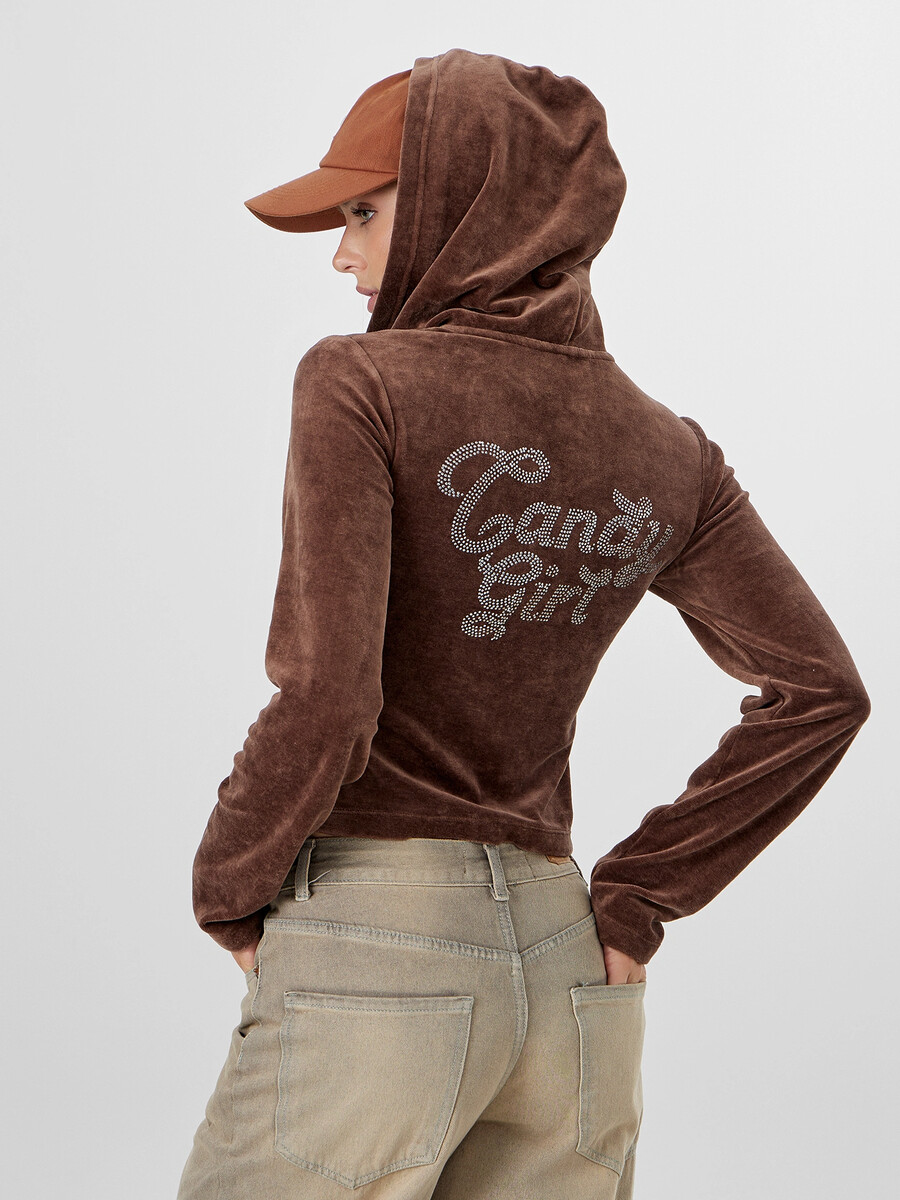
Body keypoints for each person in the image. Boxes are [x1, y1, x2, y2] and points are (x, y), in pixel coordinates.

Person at [177, 49, 871, 1200]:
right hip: (567, 965)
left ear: (459, 205)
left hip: (382, 947)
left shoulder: (361, 383)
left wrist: (229, 878)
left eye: (364, 213)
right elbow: (824, 693)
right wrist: (636, 899)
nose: (343, 254)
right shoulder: (669, 450)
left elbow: (333, 697)